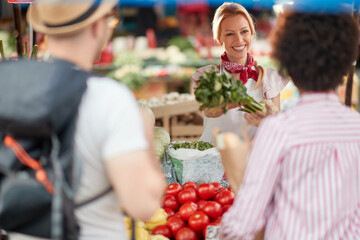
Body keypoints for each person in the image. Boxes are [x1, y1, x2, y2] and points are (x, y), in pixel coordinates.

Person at [8, 0, 166, 239]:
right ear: (95, 27)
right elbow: (143, 206)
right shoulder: (108, 98)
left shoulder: (11, 88)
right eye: (110, 19)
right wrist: (146, 134)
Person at [219, 8, 360, 240]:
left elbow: (243, 223)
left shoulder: (279, 130)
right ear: (345, 63)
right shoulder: (357, 128)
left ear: (289, 65)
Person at [191, 2, 289, 143]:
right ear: (219, 39)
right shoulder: (208, 76)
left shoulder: (268, 79)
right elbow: (209, 110)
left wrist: (267, 122)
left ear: (252, 33)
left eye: (244, 31)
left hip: (252, 158)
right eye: (230, 34)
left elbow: (276, 131)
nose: (239, 40)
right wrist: (233, 102)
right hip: (211, 157)